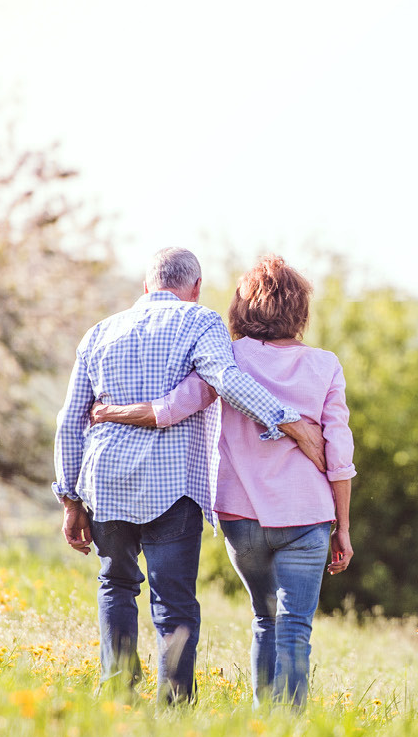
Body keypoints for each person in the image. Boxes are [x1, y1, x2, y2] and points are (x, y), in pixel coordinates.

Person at [52, 247, 326, 703]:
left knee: (114, 584)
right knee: (174, 602)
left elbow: (70, 418)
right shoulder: (201, 322)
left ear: (146, 285)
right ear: (195, 288)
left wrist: (69, 496)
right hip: (172, 487)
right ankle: (175, 702)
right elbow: (227, 380)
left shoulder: (99, 332)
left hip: (104, 483)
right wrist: (290, 422)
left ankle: (117, 689)